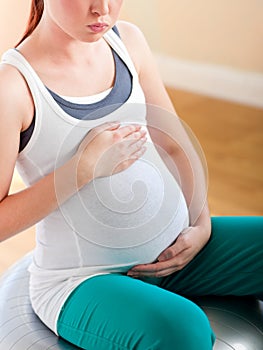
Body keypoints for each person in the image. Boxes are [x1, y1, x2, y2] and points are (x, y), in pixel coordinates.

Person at [0, 1, 262, 349]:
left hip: (174, 254)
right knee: (184, 329)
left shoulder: (128, 42)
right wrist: (82, 169)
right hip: (84, 281)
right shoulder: (13, 87)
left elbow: (173, 143)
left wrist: (201, 222)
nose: (103, 9)